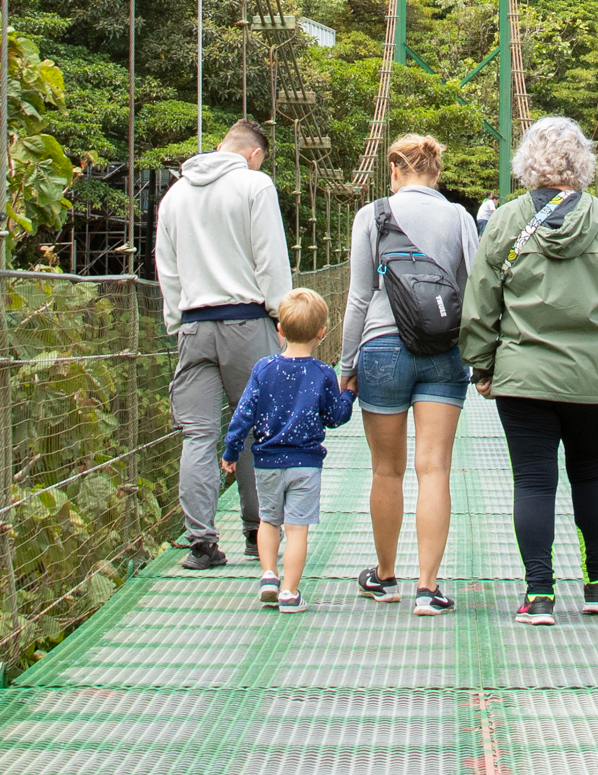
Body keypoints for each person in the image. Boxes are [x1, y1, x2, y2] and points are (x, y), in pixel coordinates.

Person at [459, 115, 598, 627]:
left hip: (523, 375)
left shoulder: (503, 221)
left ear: (527, 163)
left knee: (534, 482)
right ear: (582, 163)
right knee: (592, 476)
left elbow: (480, 303)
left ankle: (538, 594)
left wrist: (481, 364)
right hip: (591, 376)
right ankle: (597, 582)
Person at [338, 132, 478, 616]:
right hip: (444, 350)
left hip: (380, 347)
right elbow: (473, 292)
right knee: (434, 468)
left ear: (394, 170)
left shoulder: (372, 214)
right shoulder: (459, 216)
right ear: (437, 173)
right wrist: (483, 359)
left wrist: (346, 365)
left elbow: (359, 297)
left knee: (386, 469)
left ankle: (385, 577)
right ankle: (428, 588)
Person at [153, 118, 292, 572]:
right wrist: (281, 315)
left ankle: (201, 544)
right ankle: (258, 534)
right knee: (255, 429)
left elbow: (167, 269)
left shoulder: (174, 196)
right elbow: (269, 257)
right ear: (253, 155)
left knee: (198, 435)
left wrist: (178, 320)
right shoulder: (255, 186)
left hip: (193, 325)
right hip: (247, 322)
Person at [220, 288, 353, 611]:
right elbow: (335, 417)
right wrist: (349, 394)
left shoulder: (264, 369)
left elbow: (244, 415)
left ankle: (268, 574)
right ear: (322, 333)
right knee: (297, 530)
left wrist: (231, 451)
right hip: (305, 464)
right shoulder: (323, 373)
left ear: (279, 329)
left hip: (266, 461)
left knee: (269, 521)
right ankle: (290, 592)